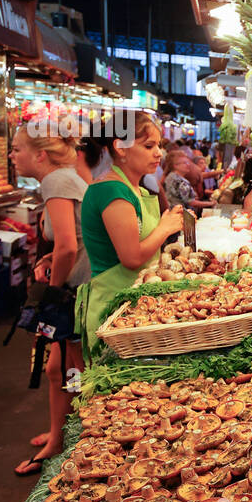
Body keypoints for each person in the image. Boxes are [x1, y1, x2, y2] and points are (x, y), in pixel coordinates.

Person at [9, 124, 89, 474]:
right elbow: (71, 241)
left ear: (39, 154)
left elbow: (70, 246)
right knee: (59, 368)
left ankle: (79, 439)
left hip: (75, 293)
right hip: (75, 288)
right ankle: (62, 432)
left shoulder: (57, 181)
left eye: (16, 149)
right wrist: (49, 259)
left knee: (73, 370)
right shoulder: (64, 179)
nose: (12, 156)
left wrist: (50, 294)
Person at [78, 113, 184, 356]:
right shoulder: (112, 190)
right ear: (121, 147)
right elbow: (132, 258)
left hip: (134, 303)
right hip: (113, 309)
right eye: (148, 146)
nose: (158, 153)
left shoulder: (133, 187)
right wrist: (165, 228)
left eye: (159, 146)